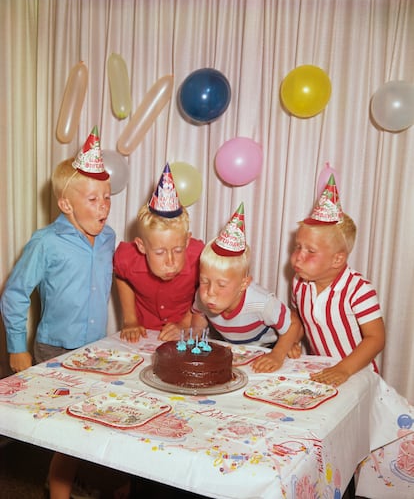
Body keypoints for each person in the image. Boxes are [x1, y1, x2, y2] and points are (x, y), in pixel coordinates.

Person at [0, 126, 115, 499]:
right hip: (56, 351)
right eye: (93, 198)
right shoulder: (45, 243)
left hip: (96, 351)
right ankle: (58, 492)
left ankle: (80, 483)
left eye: (107, 197)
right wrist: (17, 347)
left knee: (92, 425)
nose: (103, 206)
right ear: (66, 204)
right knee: (66, 435)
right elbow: (15, 294)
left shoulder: (110, 237)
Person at [290, 174, 413, 498]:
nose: (298, 257)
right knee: (327, 447)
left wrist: (344, 369)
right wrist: (288, 344)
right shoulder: (299, 284)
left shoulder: (359, 289)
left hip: (359, 378)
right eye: (297, 247)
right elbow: (300, 321)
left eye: (309, 251)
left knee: (372, 452)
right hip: (321, 374)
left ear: (338, 259)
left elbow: (376, 338)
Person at [191, 203, 302, 373]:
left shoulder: (261, 302)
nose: (210, 291)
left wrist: (279, 353)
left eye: (221, 284)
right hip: (232, 351)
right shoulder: (202, 295)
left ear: (244, 284)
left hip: (267, 347)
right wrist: (195, 337)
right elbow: (199, 315)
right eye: (204, 281)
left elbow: (293, 324)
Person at [114, 163, 204, 343]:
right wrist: (130, 319)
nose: (170, 261)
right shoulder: (127, 257)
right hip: (145, 333)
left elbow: (208, 293)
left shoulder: (200, 258)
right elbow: (121, 275)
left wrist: (186, 322)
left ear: (187, 241)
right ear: (141, 246)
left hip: (185, 333)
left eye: (178, 250)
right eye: (160, 252)